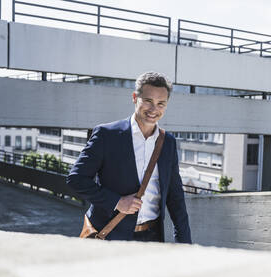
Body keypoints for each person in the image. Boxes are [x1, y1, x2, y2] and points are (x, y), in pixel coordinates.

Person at [67, 72, 191, 243]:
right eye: (148, 101)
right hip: (109, 235)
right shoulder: (107, 135)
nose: (154, 110)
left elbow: (175, 197)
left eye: (161, 103)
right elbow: (76, 179)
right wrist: (117, 202)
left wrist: (185, 244)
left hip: (152, 237)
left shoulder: (167, 142)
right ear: (135, 98)